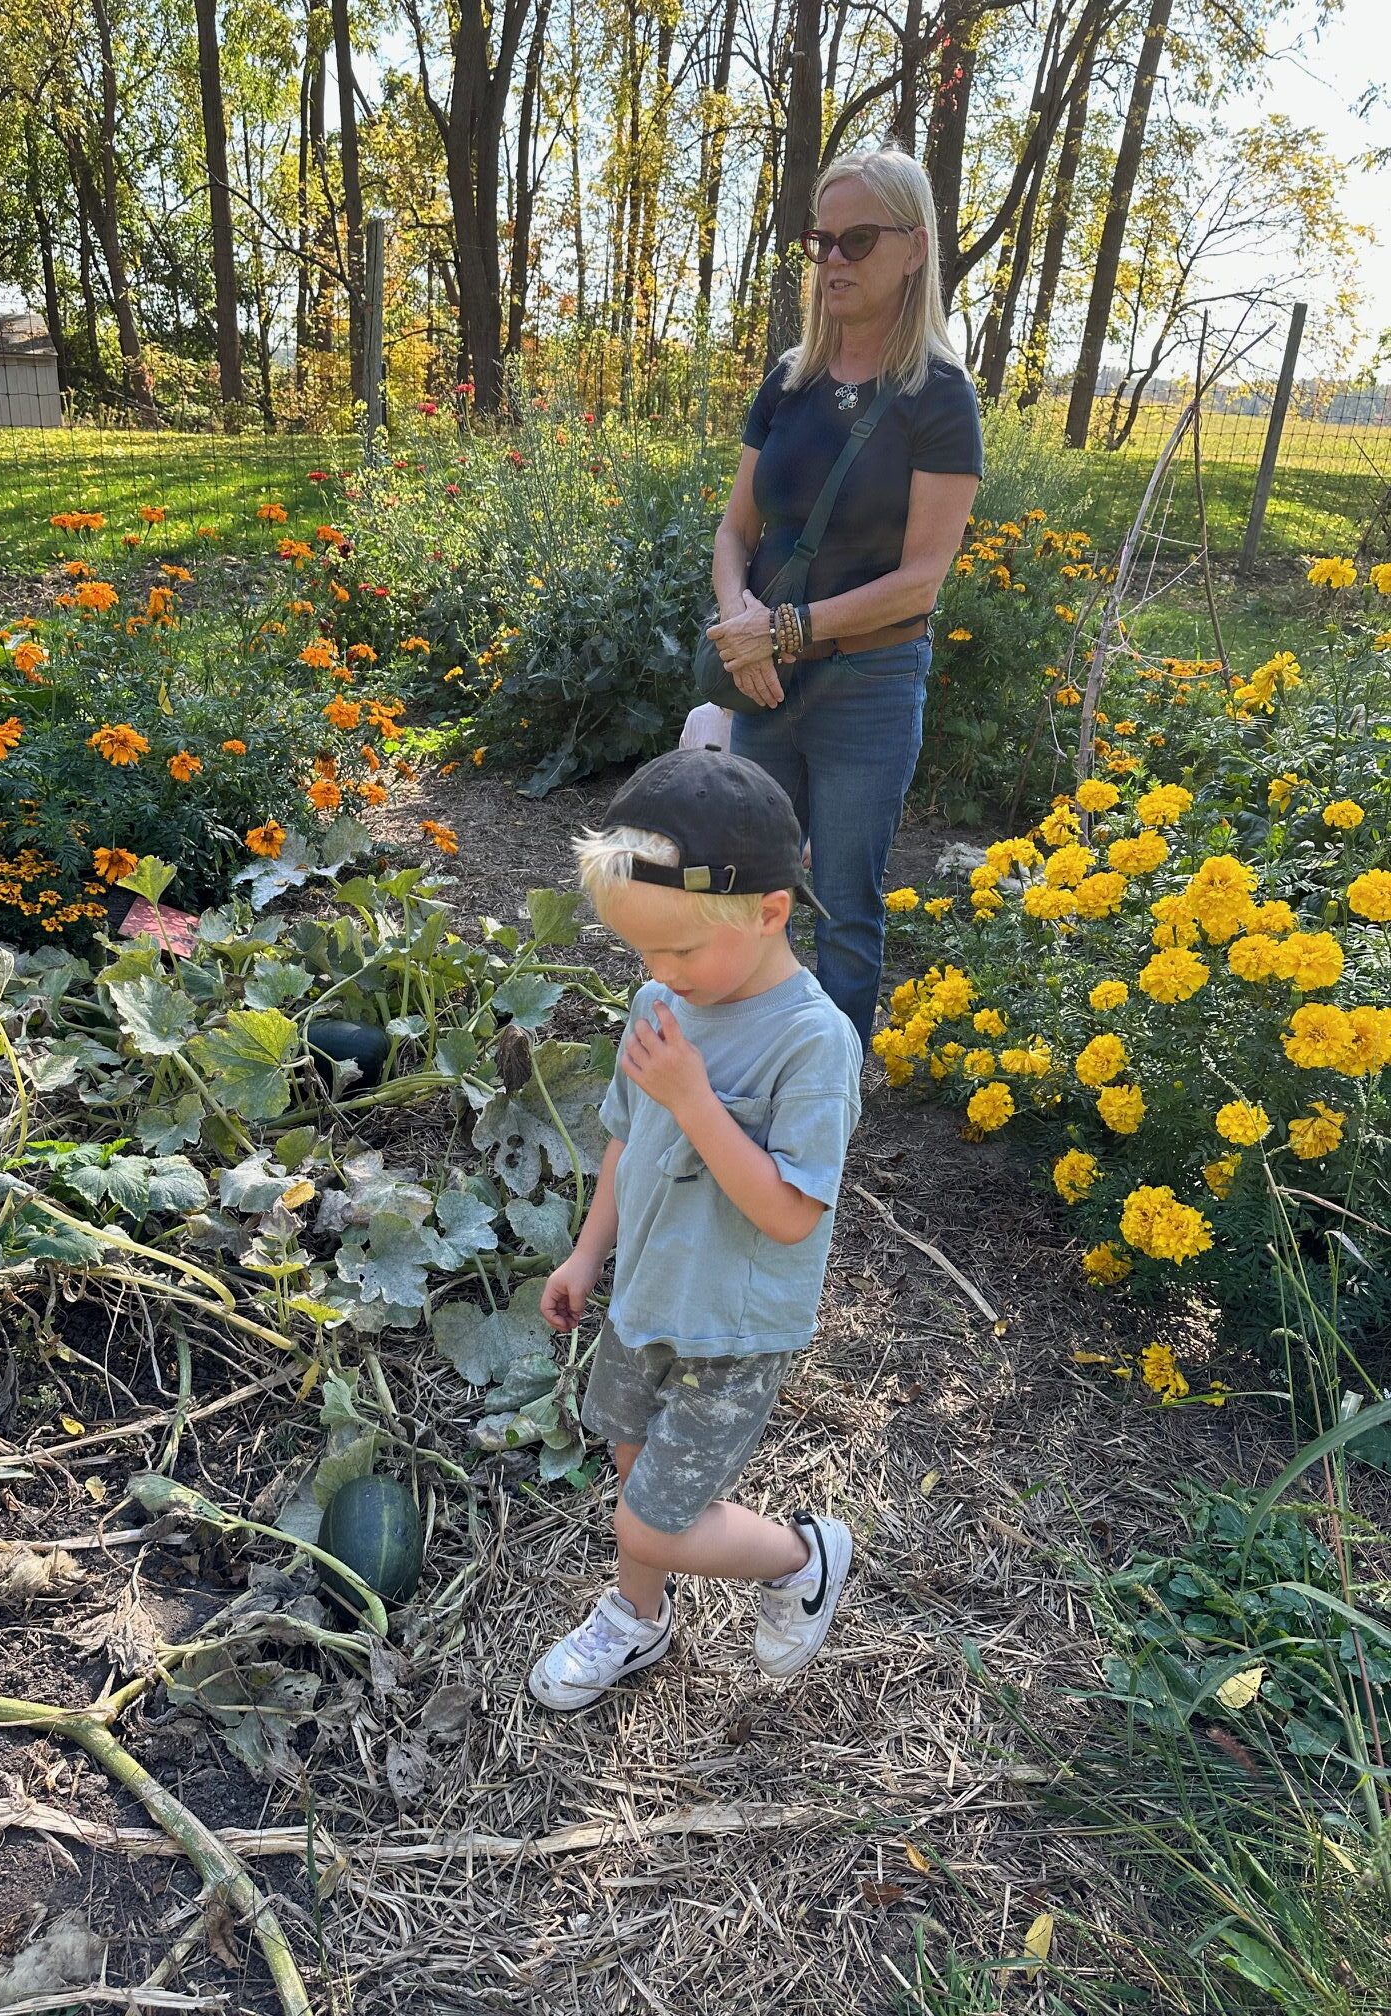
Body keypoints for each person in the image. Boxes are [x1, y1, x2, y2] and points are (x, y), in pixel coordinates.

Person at [528, 748, 861, 1712]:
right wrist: (589, 1255)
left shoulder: (812, 1042)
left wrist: (696, 1096)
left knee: (651, 1521)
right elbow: (629, 1142)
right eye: (641, 954)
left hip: (731, 1326)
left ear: (769, 912)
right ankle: (639, 1619)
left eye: (678, 952)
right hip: (647, 1298)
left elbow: (792, 1215)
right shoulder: (663, 1002)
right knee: (635, 1471)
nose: (658, 974)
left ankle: (804, 1557)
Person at [706, 146, 983, 1050]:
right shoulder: (789, 381)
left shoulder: (938, 398)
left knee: (847, 909)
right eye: (819, 240)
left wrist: (784, 627)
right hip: (764, 684)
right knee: (743, 887)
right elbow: (734, 533)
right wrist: (743, 622)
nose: (832, 259)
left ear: (914, 249)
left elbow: (922, 579)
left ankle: (826, 1111)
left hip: (867, 685)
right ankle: (738, 1068)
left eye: (857, 239)